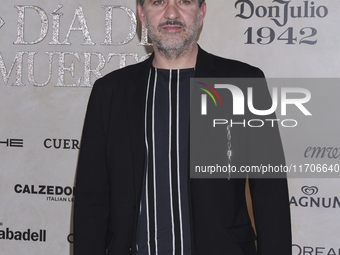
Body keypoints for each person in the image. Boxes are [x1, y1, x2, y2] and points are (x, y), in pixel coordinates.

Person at [73, 1, 292, 255]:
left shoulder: (244, 83)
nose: (172, 13)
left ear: (201, 11)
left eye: (184, 1)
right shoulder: (110, 92)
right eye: (158, 2)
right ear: (142, 14)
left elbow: (270, 196)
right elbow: (92, 202)